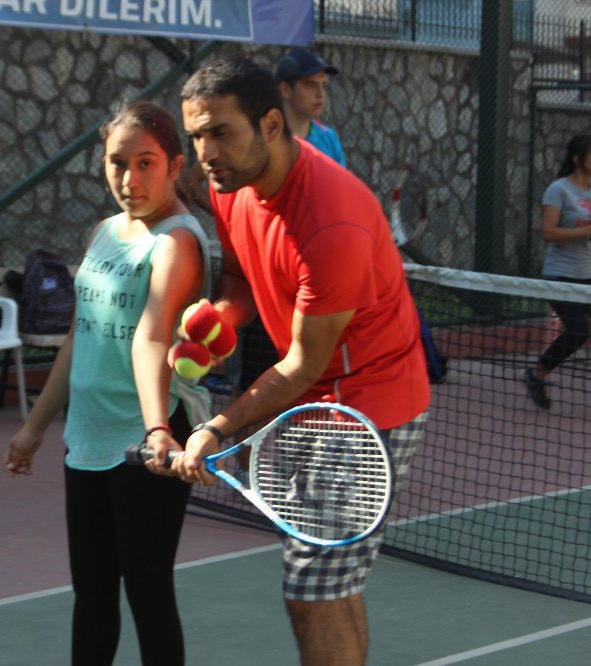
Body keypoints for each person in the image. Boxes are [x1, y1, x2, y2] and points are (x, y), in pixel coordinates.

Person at [173, 58, 430, 665]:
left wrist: (215, 427)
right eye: (197, 136)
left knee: (311, 590)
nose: (206, 152)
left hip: (372, 403)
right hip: (318, 398)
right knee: (332, 585)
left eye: (220, 132)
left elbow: (301, 366)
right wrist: (220, 319)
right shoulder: (231, 182)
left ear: (269, 124)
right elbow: (240, 277)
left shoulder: (331, 221)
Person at [2, 100, 210, 666]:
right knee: (91, 594)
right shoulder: (103, 234)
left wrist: (158, 430)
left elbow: (153, 336)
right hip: (88, 438)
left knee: (147, 593)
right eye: (118, 162)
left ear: (174, 165)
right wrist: (35, 426)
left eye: (146, 163)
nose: (130, 178)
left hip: (148, 443)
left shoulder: (176, 242)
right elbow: (80, 338)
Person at [522, 134, 591, 409]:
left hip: (588, 274)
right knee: (577, 332)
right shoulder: (558, 190)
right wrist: (585, 230)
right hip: (561, 276)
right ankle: (536, 374)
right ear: (577, 159)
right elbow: (548, 233)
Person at [275, 48, 346, 167]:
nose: (320, 94)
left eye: (323, 85)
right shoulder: (266, 138)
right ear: (285, 90)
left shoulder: (328, 138)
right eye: (310, 85)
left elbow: (341, 185)